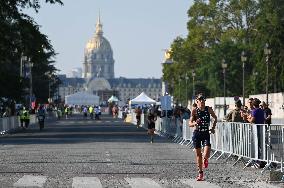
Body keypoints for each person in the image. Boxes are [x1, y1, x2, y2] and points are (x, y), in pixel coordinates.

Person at [189, 93, 217, 181]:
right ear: (197, 101)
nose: (202, 101)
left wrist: (212, 128)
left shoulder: (208, 109)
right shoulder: (194, 110)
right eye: (200, 100)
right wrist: (195, 123)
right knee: (198, 155)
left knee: (207, 153)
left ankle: (206, 159)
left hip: (205, 133)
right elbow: (190, 123)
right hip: (197, 133)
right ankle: (200, 173)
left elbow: (215, 118)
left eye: (203, 100)